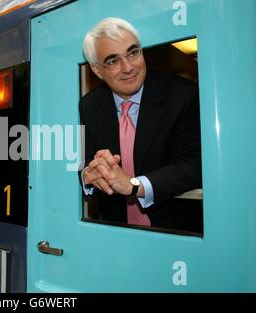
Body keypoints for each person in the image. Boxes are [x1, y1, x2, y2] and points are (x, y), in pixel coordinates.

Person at [80, 17, 202, 232]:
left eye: (133, 52)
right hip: (113, 231)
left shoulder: (183, 95)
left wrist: (133, 186)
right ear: (97, 70)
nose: (128, 67)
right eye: (113, 60)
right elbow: (86, 160)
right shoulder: (90, 105)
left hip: (177, 232)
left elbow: (193, 165)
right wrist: (89, 174)